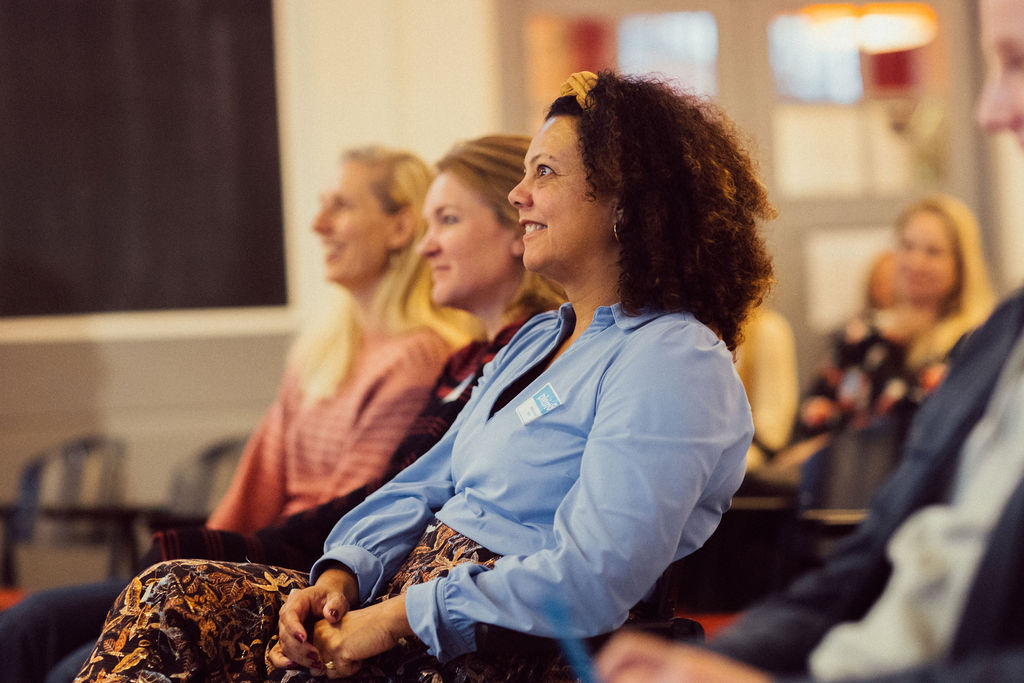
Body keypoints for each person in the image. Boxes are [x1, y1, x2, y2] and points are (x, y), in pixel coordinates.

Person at [73, 70, 775, 682]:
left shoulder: (673, 358)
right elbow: (424, 480)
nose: (518, 194)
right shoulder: (541, 334)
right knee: (169, 591)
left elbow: (595, 578)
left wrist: (396, 618)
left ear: (629, 202)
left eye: (545, 173)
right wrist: (342, 576)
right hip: (402, 613)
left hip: (503, 651)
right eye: (523, 171)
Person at [0, 135, 566, 683]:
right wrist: (203, 551)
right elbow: (278, 478)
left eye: (446, 221)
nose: (426, 243)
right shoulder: (364, 349)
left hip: (329, 570)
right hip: (328, 564)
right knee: (35, 622)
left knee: (63, 656)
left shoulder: (438, 356)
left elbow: (384, 501)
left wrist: (227, 557)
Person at [595, 1, 1024, 680]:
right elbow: (864, 564)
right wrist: (712, 662)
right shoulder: (1002, 339)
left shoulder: (964, 338)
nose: (987, 111)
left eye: (1016, 63)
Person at [208, 145, 475, 533]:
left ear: (400, 228)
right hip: (262, 554)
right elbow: (253, 490)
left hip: (309, 569)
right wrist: (188, 556)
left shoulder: (420, 357)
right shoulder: (322, 346)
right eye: (322, 205)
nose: (318, 224)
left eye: (341, 206)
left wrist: (215, 561)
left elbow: (343, 518)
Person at [761, 193, 996, 482]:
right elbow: (813, 415)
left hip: (924, 492)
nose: (915, 262)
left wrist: (840, 443)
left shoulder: (975, 342)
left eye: (933, 252)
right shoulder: (861, 335)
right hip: (842, 488)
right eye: (907, 246)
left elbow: (940, 433)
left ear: (961, 265)